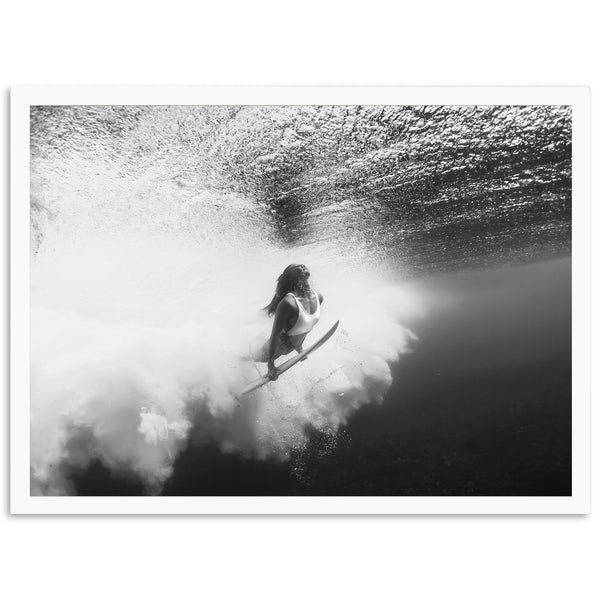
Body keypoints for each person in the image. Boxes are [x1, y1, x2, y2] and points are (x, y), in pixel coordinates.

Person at [255, 264, 323, 380]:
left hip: (291, 346)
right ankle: (231, 358)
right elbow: (274, 336)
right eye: (298, 268)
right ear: (293, 278)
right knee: (253, 357)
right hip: (274, 350)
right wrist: (271, 366)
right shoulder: (288, 303)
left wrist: (300, 350)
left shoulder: (319, 297)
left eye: (303, 266)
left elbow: (302, 326)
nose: (302, 266)